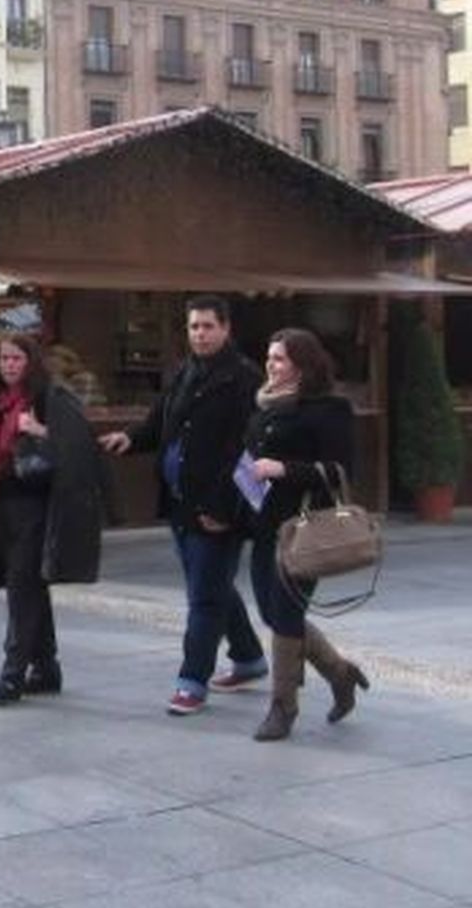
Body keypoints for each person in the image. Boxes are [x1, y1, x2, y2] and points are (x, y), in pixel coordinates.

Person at [99, 294, 266, 716]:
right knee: (211, 586)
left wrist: (225, 508)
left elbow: (248, 450)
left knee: (204, 598)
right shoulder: (184, 371)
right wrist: (131, 438)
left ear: (226, 329)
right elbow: (161, 423)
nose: (201, 334)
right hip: (179, 504)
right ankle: (248, 658)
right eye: (194, 327)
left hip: (217, 509)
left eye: (208, 326)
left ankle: (192, 682)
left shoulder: (244, 379)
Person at [0, 335, 107, 703]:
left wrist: (40, 431)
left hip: (36, 507)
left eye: (16, 358)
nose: (9, 365)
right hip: (2, 505)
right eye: (4, 358)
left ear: (31, 361)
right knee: (28, 588)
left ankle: (12, 675)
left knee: (22, 589)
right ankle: (46, 668)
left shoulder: (49, 397)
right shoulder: (0, 401)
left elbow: (80, 444)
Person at [242, 328, 370, 741]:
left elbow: (339, 469)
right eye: (269, 357)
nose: (271, 365)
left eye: (279, 359)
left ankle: (283, 708)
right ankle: (339, 673)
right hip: (264, 526)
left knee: (285, 614)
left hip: (304, 528)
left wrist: (283, 469)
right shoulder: (265, 405)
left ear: (303, 364)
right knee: (274, 612)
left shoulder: (330, 408)